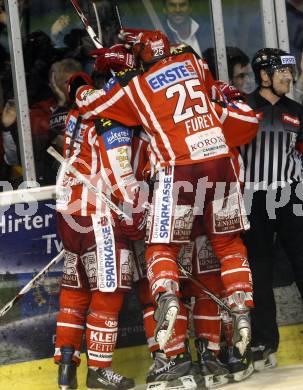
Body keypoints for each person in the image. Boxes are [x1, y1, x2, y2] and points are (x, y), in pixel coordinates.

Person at [74, 30, 259, 376]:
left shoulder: (136, 89)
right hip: (219, 162)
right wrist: (134, 56)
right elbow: (241, 117)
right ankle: (241, 304)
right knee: (229, 243)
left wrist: (87, 84)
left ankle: (167, 297)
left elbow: (90, 107)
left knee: (161, 247)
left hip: (178, 169)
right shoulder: (195, 64)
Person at [54, 69, 142, 390]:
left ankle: (66, 365)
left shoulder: (79, 109)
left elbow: (77, 86)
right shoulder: (111, 117)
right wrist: (137, 212)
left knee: (75, 291)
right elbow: (120, 174)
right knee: (108, 291)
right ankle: (99, 370)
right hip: (98, 213)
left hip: (68, 213)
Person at [241, 47, 303, 371]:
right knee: (259, 272)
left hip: (292, 196)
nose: (289, 77)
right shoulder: (244, 109)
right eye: (282, 71)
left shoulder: (297, 110)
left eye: (289, 72)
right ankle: (265, 341)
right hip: (256, 199)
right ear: (264, 75)